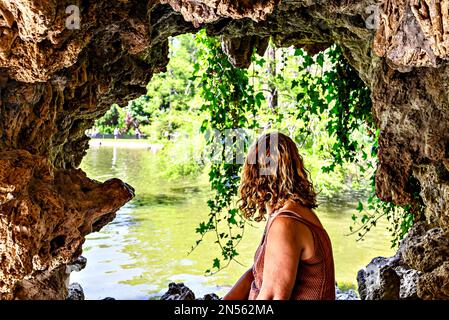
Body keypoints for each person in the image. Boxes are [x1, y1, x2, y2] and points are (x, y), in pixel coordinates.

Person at [223, 132, 335, 300]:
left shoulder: (286, 224)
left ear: (254, 175)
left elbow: (272, 297)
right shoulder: (291, 213)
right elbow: (255, 274)